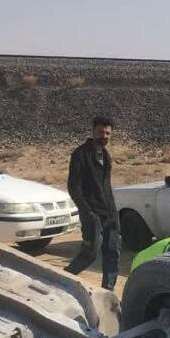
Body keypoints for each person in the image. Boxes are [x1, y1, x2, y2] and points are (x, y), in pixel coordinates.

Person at [65, 116, 121, 290]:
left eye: (107, 133)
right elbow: (74, 187)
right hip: (92, 214)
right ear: (93, 131)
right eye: (100, 132)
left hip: (110, 213)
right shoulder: (81, 154)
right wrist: (88, 213)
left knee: (112, 253)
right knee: (89, 253)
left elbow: (106, 186)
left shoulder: (105, 155)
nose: (104, 136)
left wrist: (113, 211)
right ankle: (62, 280)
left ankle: (108, 291)